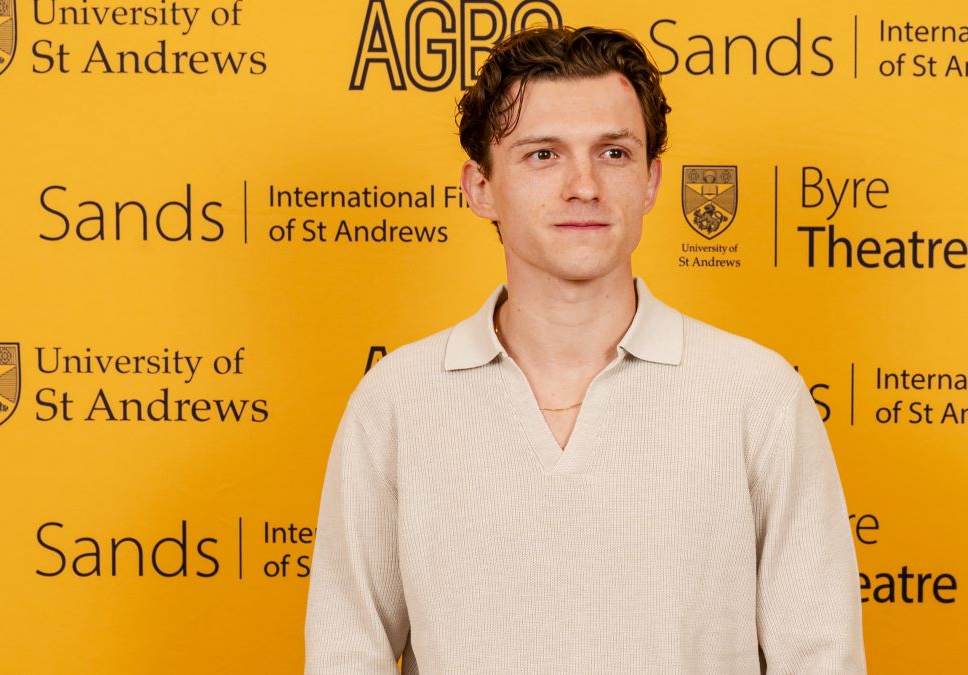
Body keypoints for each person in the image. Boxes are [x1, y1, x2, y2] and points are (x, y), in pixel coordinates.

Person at [305, 26, 865, 674]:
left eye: (614, 153)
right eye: (543, 155)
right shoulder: (396, 401)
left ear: (652, 181)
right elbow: (347, 655)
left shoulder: (756, 395)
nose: (583, 185)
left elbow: (821, 658)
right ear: (480, 185)